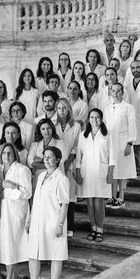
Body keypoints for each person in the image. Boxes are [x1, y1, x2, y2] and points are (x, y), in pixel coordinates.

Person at [22, 146, 69, 279]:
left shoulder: (62, 179)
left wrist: (60, 225)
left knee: (56, 255)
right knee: (33, 254)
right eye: (45, 157)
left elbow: (64, 204)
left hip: (53, 222)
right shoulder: (41, 176)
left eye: (51, 157)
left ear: (57, 160)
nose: (47, 159)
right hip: (37, 221)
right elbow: (36, 200)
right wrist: (30, 219)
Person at [0, 143, 32, 279]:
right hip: (3, 213)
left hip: (16, 214)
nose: (7, 156)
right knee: (5, 247)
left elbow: (28, 193)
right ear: (0, 155)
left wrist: (13, 185)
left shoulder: (23, 170)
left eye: (10, 153)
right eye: (4, 153)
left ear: (15, 154)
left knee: (12, 247)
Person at [76, 109, 114, 243]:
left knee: (99, 203)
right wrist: (77, 172)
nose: (94, 120)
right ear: (88, 119)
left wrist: (110, 174)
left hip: (101, 172)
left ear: (101, 119)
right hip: (87, 173)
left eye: (97, 117)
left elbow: (112, 156)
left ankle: (100, 229)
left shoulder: (107, 135)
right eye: (92, 117)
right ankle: (93, 227)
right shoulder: (82, 135)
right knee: (90, 203)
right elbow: (78, 156)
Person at [104, 83, 136, 209]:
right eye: (113, 91)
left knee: (123, 171)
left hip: (123, 143)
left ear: (122, 92)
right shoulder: (107, 109)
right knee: (113, 170)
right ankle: (112, 197)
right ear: (110, 92)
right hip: (111, 143)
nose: (116, 93)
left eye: (118, 91)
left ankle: (121, 197)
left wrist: (130, 143)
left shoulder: (128, 107)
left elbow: (132, 125)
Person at [55, 98, 81, 237]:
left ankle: (70, 226)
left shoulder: (76, 126)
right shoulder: (53, 125)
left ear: (69, 109)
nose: (62, 111)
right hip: (55, 165)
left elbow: (76, 147)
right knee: (57, 196)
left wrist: (66, 164)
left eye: (65, 108)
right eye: (59, 108)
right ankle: (59, 225)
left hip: (69, 164)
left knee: (69, 196)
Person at [27, 118, 66, 186]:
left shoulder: (60, 143)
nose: (46, 131)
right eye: (43, 129)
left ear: (52, 129)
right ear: (40, 131)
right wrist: (50, 162)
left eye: (48, 128)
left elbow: (60, 161)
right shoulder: (35, 145)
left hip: (56, 178)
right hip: (39, 179)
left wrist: (39, 160)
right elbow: (30, 162)